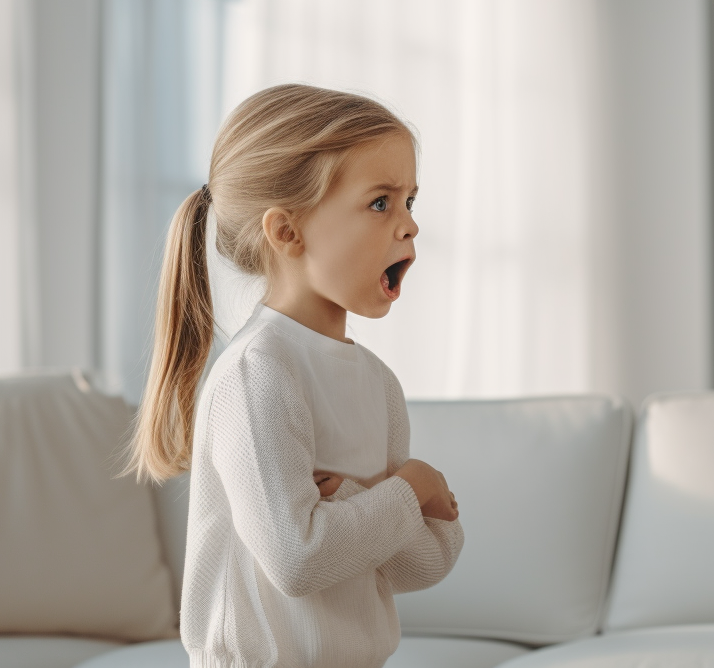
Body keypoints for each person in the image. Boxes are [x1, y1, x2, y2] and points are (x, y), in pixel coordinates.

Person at [126, 84, 463, 668]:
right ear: (287, 232)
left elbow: (423, 563)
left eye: (411, 200)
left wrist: (368, 499)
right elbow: (298, 559)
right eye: (381, 202)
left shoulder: (378, 385)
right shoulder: (257, 376)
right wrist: (411, 490)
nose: (409, 225)